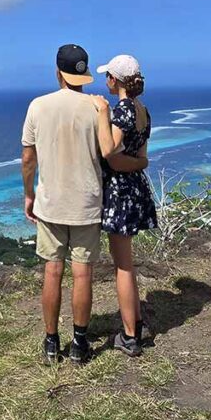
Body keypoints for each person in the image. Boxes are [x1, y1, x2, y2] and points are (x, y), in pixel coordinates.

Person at [21, 44, 147, 365]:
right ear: (85, 73)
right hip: (88, 202)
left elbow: (28, 159)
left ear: (57, 71)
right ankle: (79, 344)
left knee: (52, 272)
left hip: (51, 203)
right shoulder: (96, 107)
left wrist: (29, 194)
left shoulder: (38, 106)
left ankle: (51, 343)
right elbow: (110, 151)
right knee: (82, 275)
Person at [90, 54, 158, 357]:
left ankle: (130, 335)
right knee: (125, 263)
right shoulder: (143, 110)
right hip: (135, 188)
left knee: (123, 266)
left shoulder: (122, 110)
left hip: (119, 192)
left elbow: (109, 150)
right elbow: (142, 157)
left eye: (108, 76)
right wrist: (136, 162)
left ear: (114, 80)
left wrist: (103, 113)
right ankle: (137, 323)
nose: (105, 80)